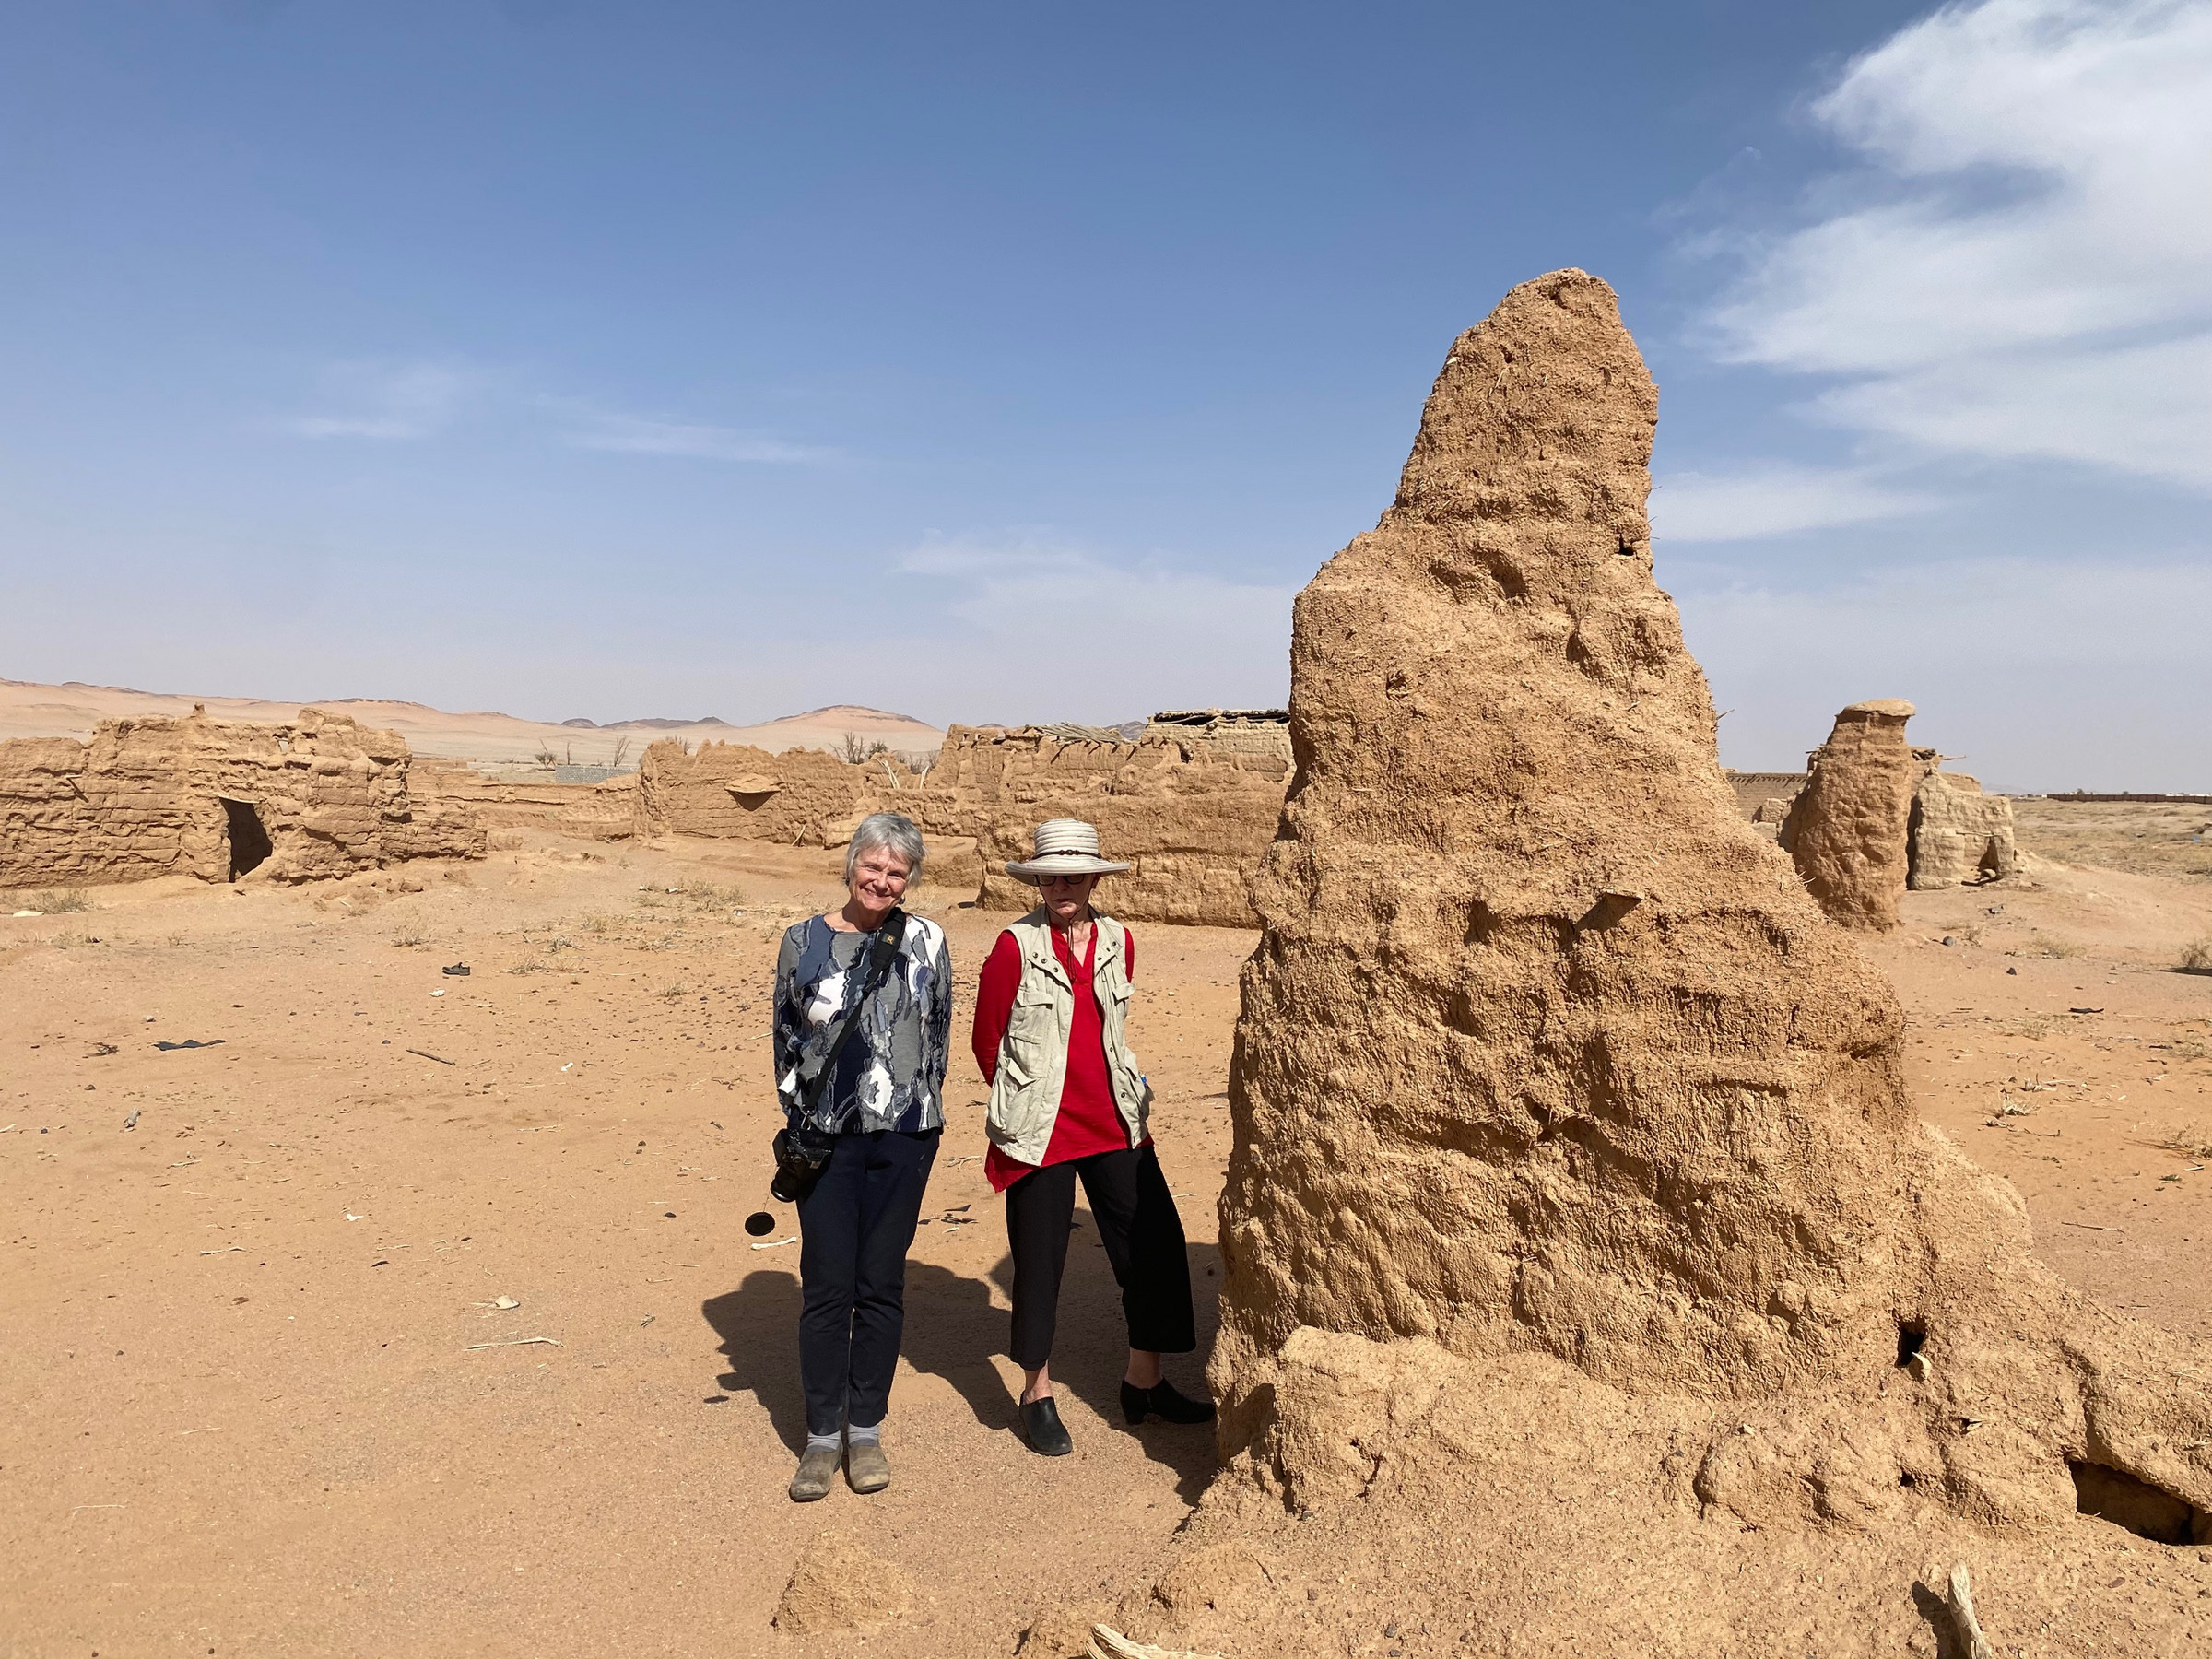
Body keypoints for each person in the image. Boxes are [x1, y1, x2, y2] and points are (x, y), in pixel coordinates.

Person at [971, 818, 1213, 1456]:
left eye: (1073, 874)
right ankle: (1037, 1392)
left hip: (1113, 1122)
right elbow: (986, 1042)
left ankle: (1145, 1379)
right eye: (1052, 875)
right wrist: (1027, 1104)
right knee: (1041, 1262)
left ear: (1094, 877)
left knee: (1153, 1245)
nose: (1062, 885)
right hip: (1043, 1131)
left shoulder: (1118, 941)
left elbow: (1116, 1031)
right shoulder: (1012, 948)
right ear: (1039, 880)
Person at [771, 811, 952, 1501]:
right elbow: (785, 1037)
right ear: (851, 866)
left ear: (909, 881)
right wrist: (803, 1123)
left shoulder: (928, 941)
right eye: (872, 867)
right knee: (825, 1286)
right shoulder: (803, 941)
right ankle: (821, 1439)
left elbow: (937, 1034)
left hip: (904, 1138)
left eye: (896, 872)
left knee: (880, 1283)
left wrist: (922, 1123)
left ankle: (866, 1430)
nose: (882, 880)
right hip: (827, 1142)